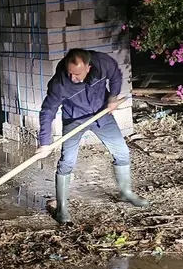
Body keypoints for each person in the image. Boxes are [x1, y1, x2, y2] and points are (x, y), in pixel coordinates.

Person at [36, 48, 149, 224]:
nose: (73, 78)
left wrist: (112, 97)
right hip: (74, 120)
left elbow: (116, 75)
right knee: (67, 162)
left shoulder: (103, 63)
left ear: (88, 67)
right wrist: (44, 142)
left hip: (101, 115)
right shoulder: (59, 84)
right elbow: (47, 111)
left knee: (122, 153)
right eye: (70, 73)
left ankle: (125, 193)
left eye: (77, 74)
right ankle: (62, 209)